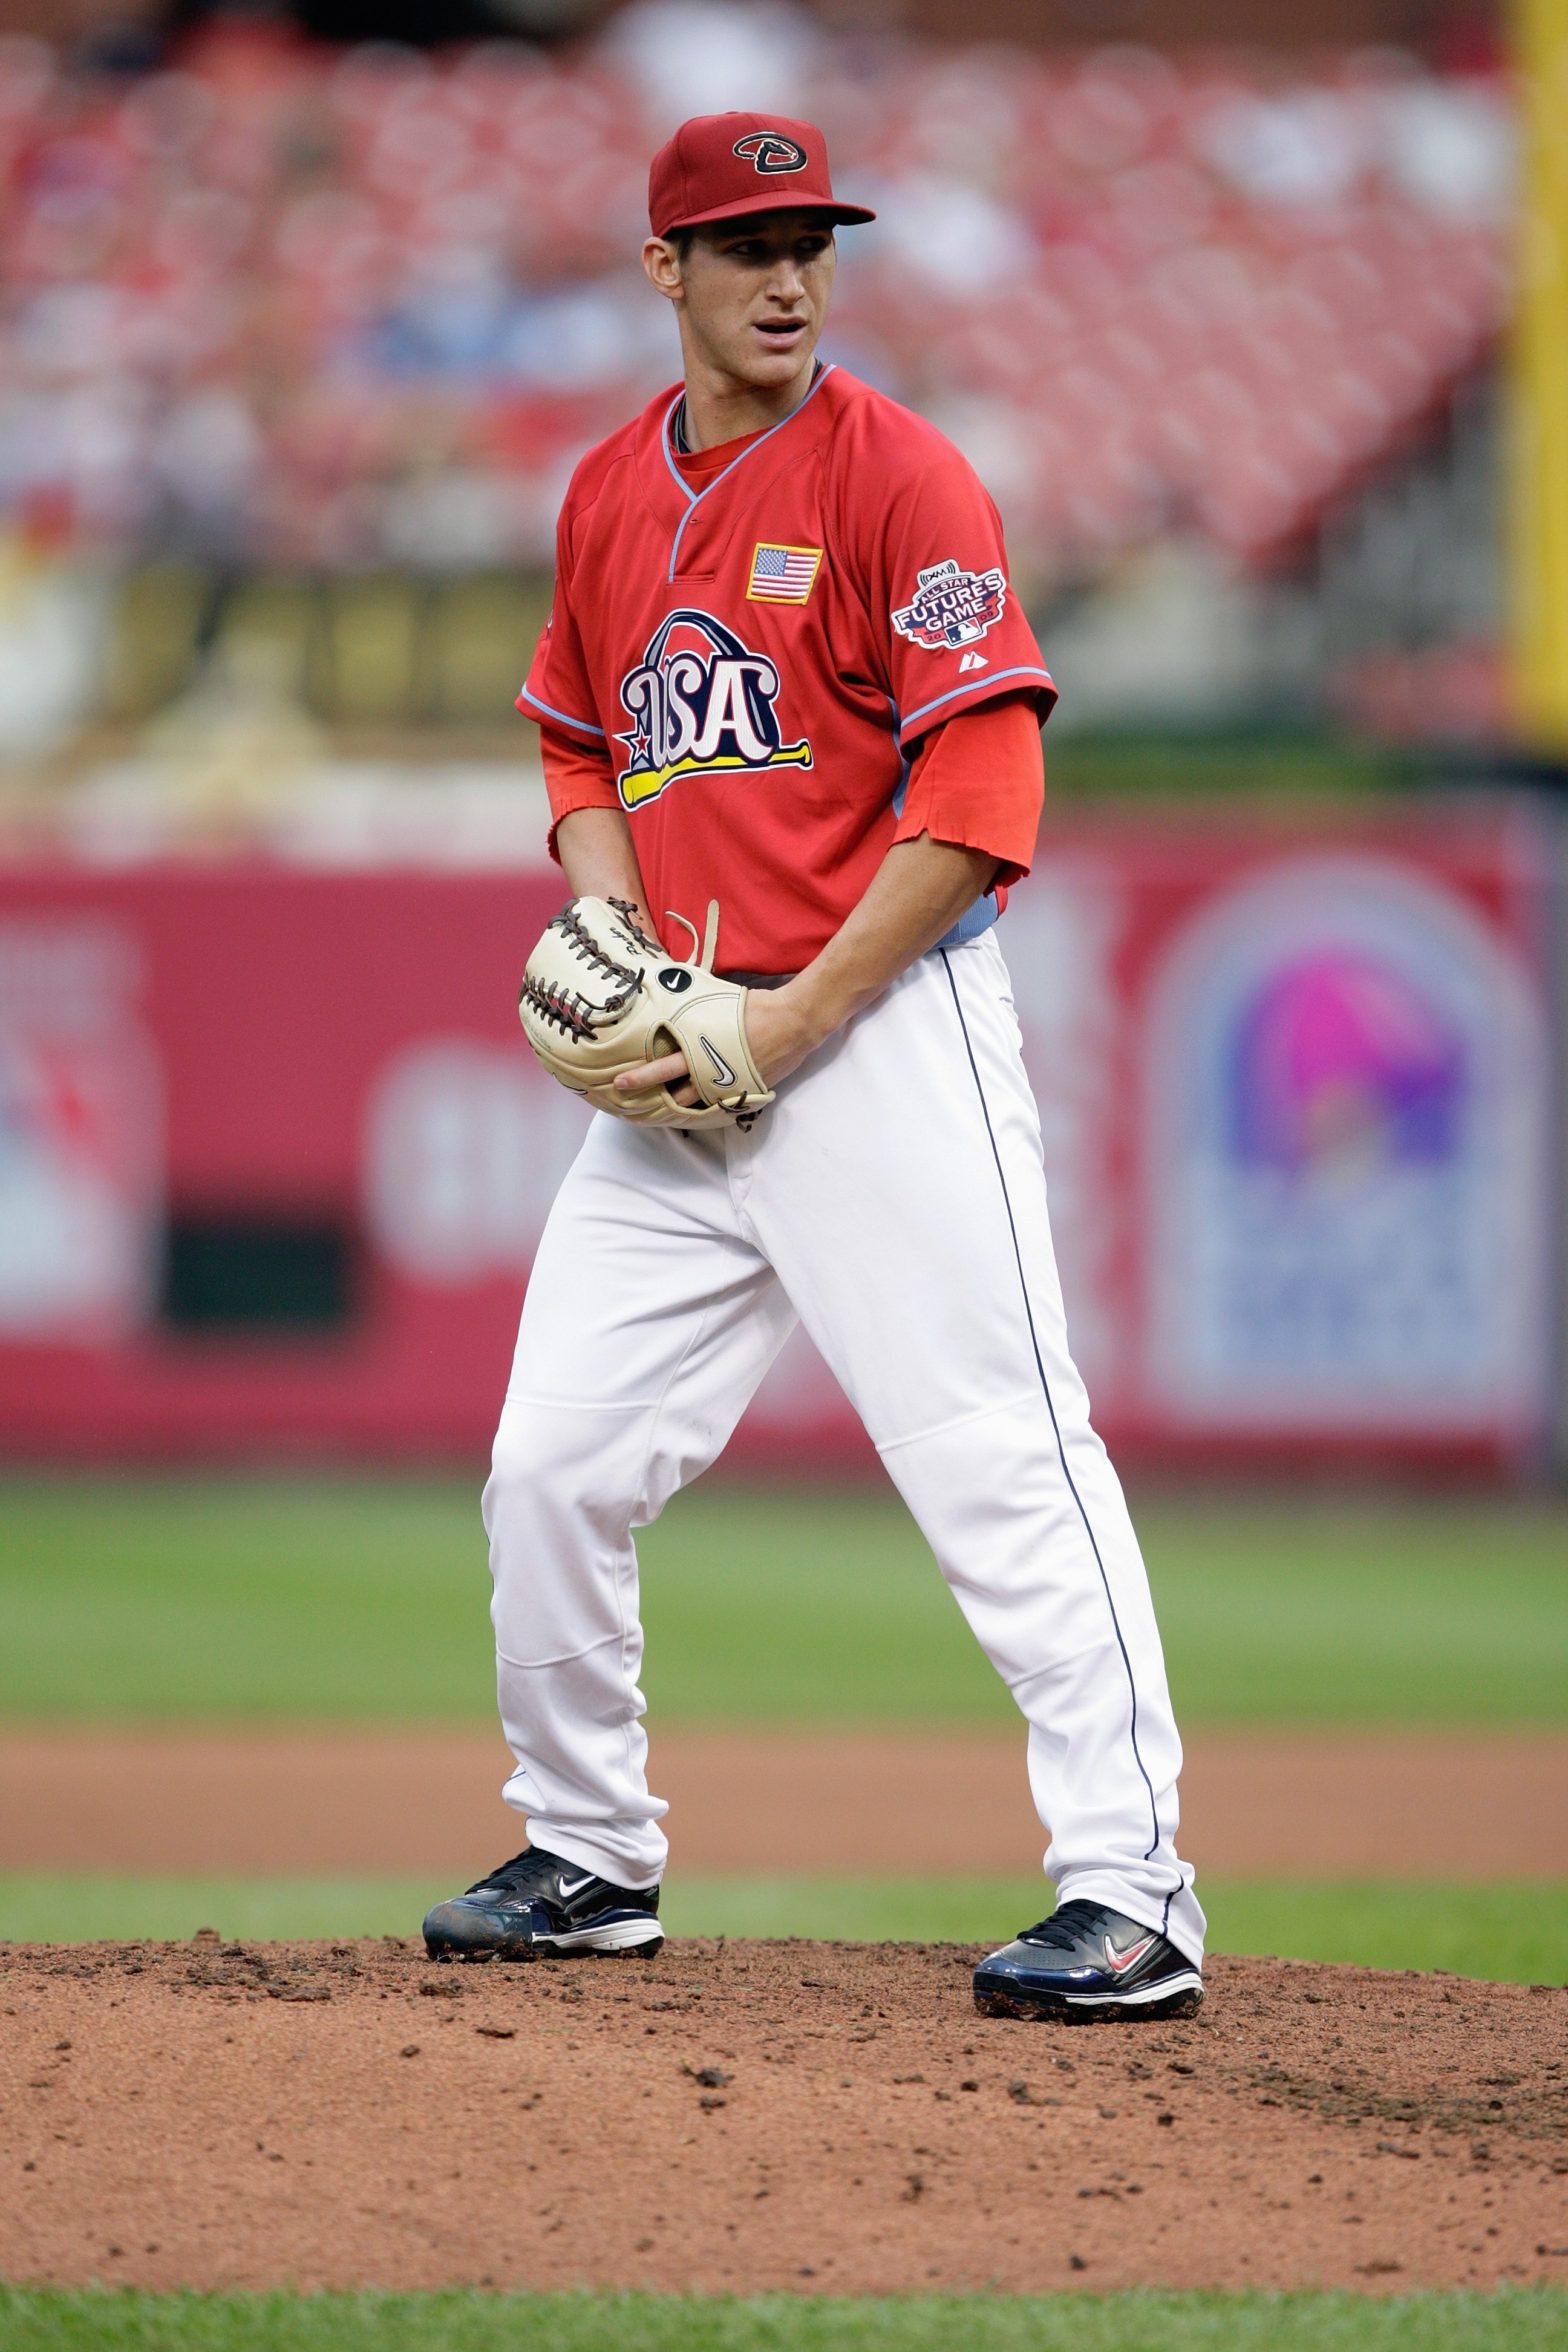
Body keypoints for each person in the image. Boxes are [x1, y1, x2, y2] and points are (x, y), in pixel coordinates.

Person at [422, 110, 1204, 2019]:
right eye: (746, 243)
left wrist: (794, 1020)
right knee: (549, 1470)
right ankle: (591, 1853)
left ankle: (1134, 1896)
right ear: (663, 271)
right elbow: (582, 750)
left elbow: (982, 789)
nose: (788, 275)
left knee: (998, 1461)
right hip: (691, 1068)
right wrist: (614, 941)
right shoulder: (608, 494)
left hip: (881, 1038)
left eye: (813, 241)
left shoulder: (901, 479)